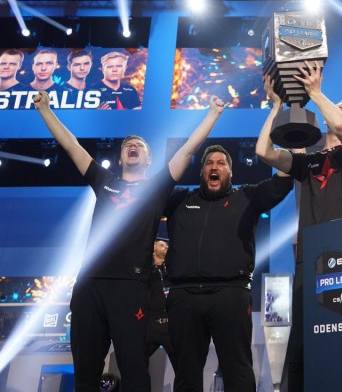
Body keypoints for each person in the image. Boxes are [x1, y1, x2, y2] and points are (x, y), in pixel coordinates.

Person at [33, 90, 225, 391]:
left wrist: (212, 114)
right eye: (127, 145)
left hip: (130, 287)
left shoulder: (157, 187)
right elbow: (71, 145)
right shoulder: (104, 181)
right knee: (85, 374)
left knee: (134, 371)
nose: (133, 146)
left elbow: (188, 149)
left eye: (139, 145)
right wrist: (45, 109)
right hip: (89, 285)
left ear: (149, 159)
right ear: (121, 157)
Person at [256, 62, 342, 392]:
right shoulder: (308, 162)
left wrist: (316, 93)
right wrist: (277, 106)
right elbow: (263, 151)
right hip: (310, 262)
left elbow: (340, 125)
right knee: (301, 349)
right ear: (324, 119)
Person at [164, 143, 293, 391]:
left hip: (230, 294)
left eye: (221, 163)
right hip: (184, 297)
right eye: (209, 163)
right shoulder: (180, 200)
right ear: (201, 171)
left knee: (238, 371)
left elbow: (282, 182)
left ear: (230, 172)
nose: (215, 167)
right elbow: (151, 194)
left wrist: (291, 144)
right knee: (186, 374)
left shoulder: (246, 197)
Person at [145, 238, 176, 368]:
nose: (166, 247)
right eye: (162, 245)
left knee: (181, 366)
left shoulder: (172, 270)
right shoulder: (147, 272)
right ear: (153, 249)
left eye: (167, 245)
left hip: (171, 325)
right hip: (151, 325)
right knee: (137, 362)